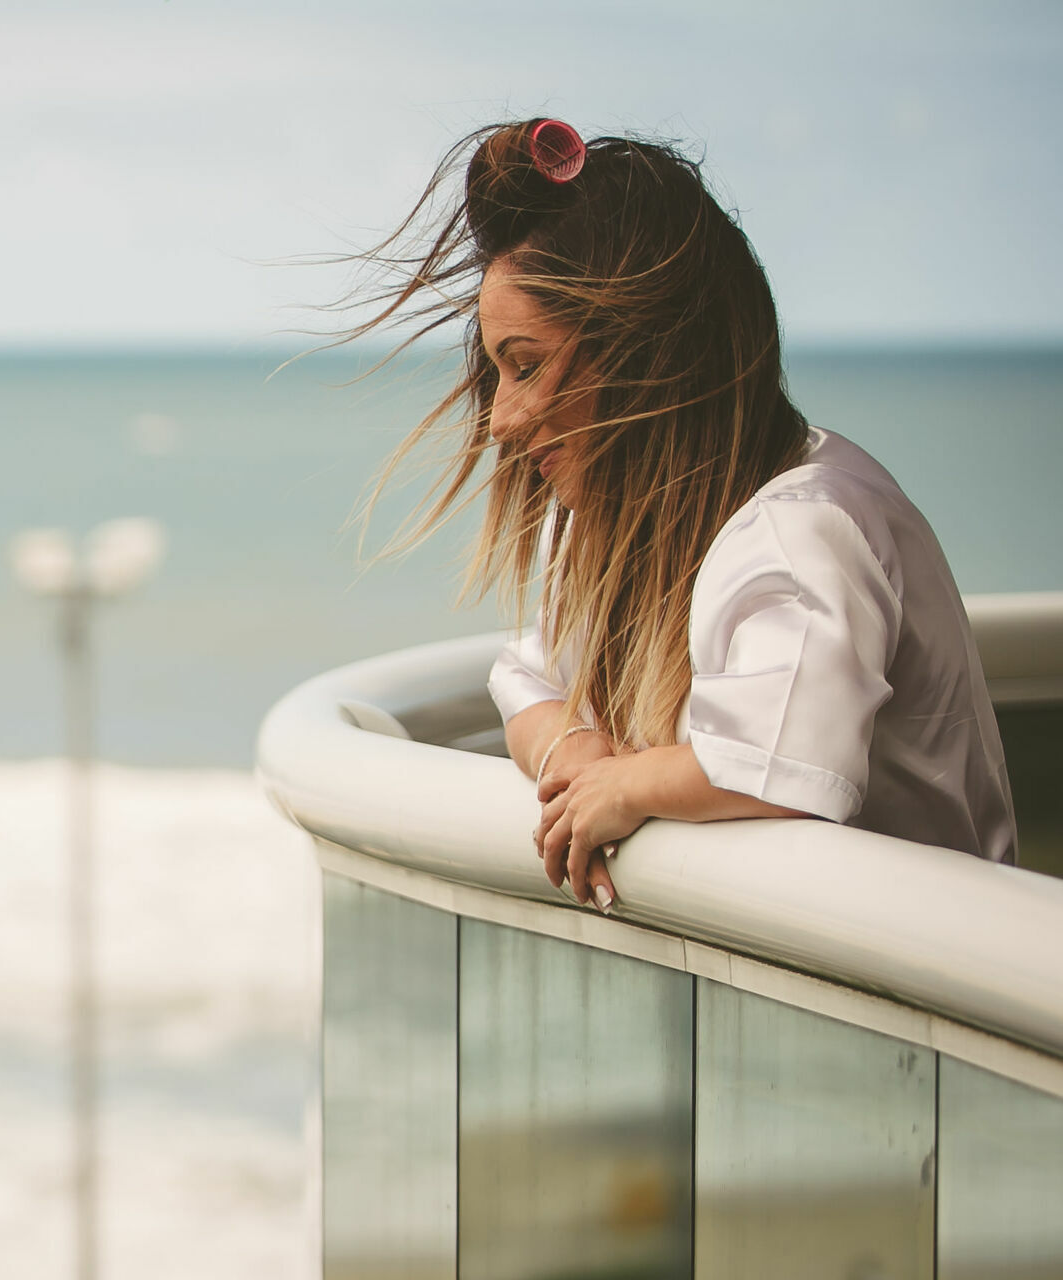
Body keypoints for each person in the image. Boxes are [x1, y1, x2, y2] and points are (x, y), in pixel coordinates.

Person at [340, 118, 1017, 913]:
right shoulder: (613, 525)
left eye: (526, 367)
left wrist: (626, 785)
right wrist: (576, 748)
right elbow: (527, 680)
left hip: (928, 985)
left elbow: (779, 767)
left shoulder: (805, 533)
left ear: (647, 354)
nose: (503, 421)